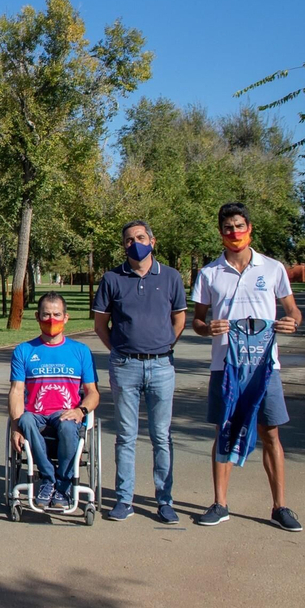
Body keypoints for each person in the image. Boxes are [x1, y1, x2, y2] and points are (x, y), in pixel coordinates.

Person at [191, 202, 304, 531]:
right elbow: (197, 321)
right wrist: (206, 328)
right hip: (224, 365)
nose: (234, 233)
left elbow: (294, 311)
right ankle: (220, 503)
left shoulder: (272, 268)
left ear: (250, 228)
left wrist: (290, 323)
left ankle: (280, 506)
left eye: (239, 226)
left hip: (265, 367)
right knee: (224, 430)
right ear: (220, 233)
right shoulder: (210, 273)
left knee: (270, 433)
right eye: (228, 228)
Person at [92, 220, 187, 524]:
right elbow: (100, 325)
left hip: (161, 366)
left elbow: (179, 319)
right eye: (129, 240)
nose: (136, 243)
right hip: (125, 366)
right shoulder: (111, 279)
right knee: (126, 436)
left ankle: (165, 500)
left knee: (161, 436)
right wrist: (119, 351)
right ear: (124, 246)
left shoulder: (171, 277)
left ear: (152, 241)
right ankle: (124, 499)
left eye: (141, 237)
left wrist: (163, 345)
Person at [9, 293, 100, 510]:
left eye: (57, 315)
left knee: (69, 426)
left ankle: (63, 485)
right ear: (37, 317)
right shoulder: (24, 351)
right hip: (36, 415)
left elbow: (93, 393)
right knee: (26, 420)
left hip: (67, 414)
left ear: (66, 317)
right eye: (46, 315)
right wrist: (15, 426)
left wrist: (80, 410)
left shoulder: (80, 352)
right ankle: (48, 480)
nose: (52, 320)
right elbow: (16, 391)